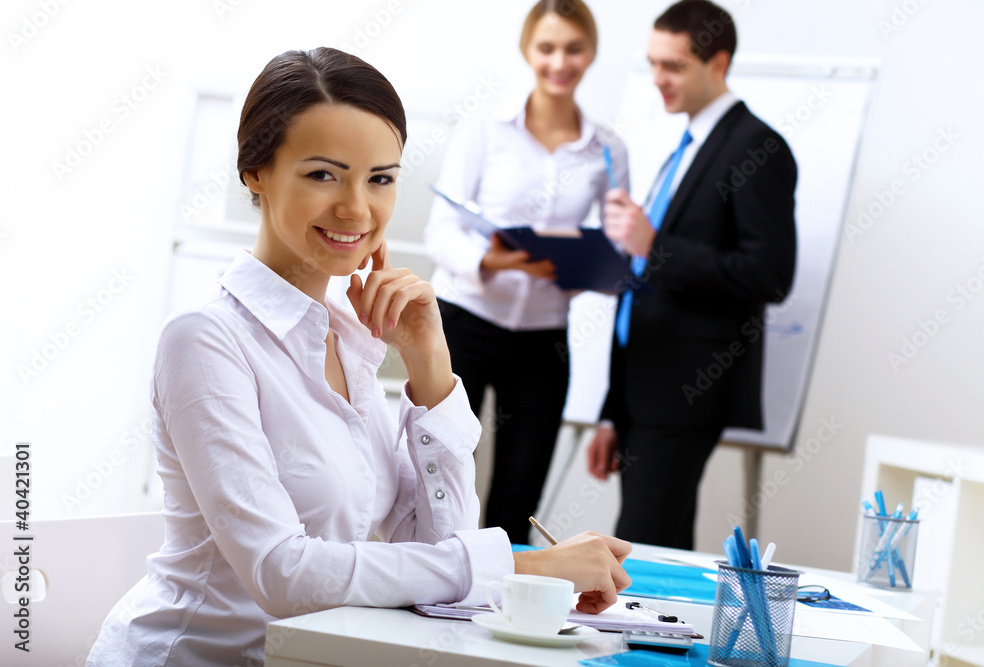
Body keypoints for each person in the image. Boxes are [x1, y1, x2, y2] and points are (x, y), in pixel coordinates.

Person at [87, 47, 631, 667]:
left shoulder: (353, 338)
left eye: (380, 178)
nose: (356, 208)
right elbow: (282, 573)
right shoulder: (204, 340)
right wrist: (525, 564)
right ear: (255, 172)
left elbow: (434, 545)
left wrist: (431, 370)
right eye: (323, 174)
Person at [586, 0, 797, 550]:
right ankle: (660, 639)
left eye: (674, 66)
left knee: (640, 547)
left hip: (685, 389)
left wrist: (655, 245)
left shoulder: (757, 147)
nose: (659, 79)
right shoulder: (686, 146)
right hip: (642, 389)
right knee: (658, 546)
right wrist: (613, 412)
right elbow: (643, 284)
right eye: (654, 63)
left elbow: (770, 273)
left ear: (718, 63)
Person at [425, 0, 629, 545]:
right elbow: (440, 230)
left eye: (574, 48)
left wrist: (591, 264)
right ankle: (430, 587)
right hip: (465, 320)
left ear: (591, 54)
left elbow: (618, 244)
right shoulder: (486, 130)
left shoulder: (607, 148)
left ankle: (496, 604)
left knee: (520, 484)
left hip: (543, 339)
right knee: (443, 468)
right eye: (547, 48)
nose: (559, 61)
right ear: (527, 51)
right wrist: (490, 259)